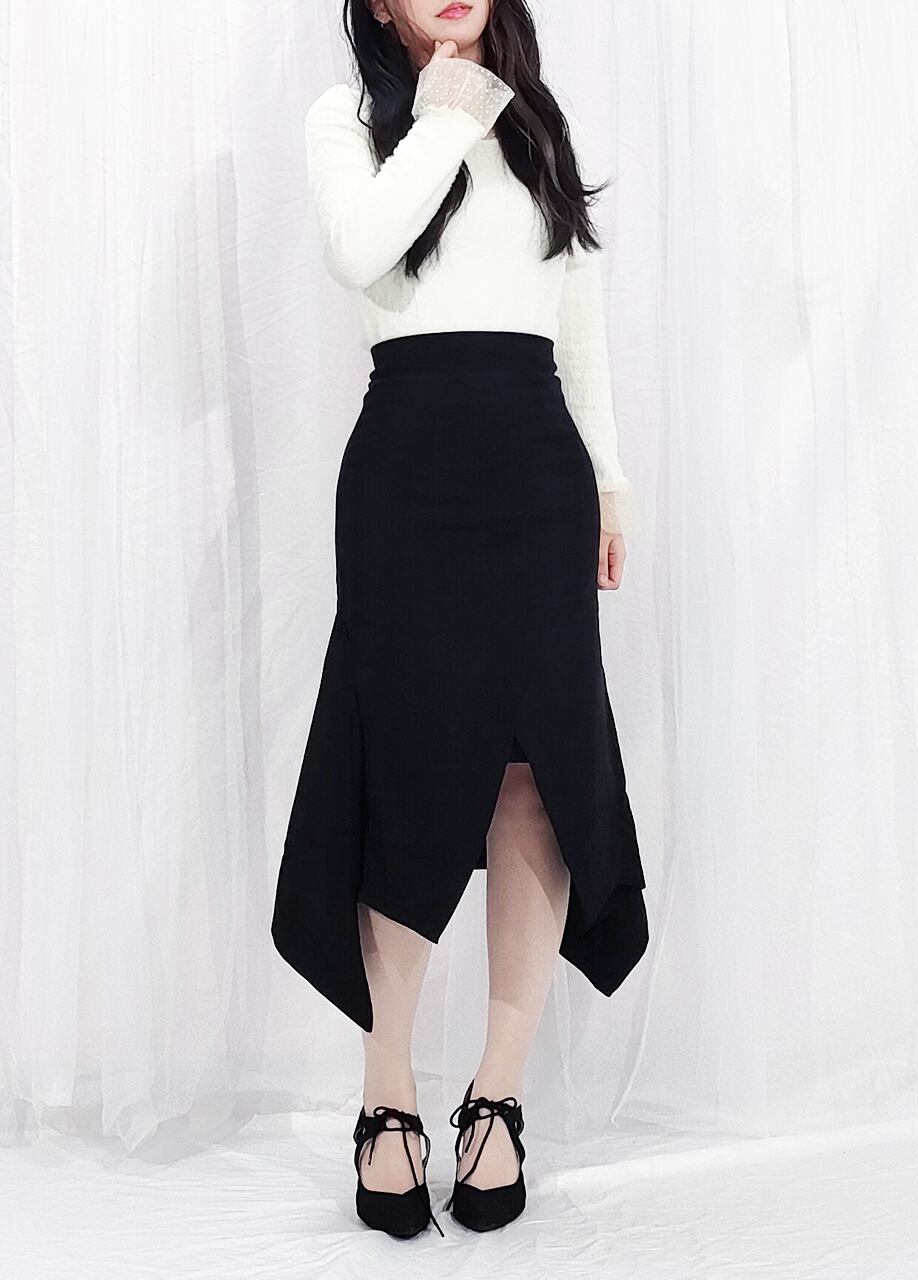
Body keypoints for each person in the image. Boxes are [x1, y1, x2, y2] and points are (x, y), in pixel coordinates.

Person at [271, 0, 650, 1239]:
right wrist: (439, 115)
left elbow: (578, 315)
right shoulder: (350, 117)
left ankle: (497, 1096)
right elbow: (360, 251)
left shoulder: (538, 124)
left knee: (537, 776)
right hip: (409, 473)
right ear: (378, 3)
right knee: (409, 773)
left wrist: (609, 476)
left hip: (537, 469)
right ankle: (388, 1094)